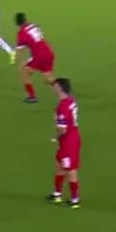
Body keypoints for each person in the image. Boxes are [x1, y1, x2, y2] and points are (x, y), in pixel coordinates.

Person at [48, 78, 81, 208]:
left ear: (60, 88)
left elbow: (63, 129)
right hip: (73, 137)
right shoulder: (71, 101)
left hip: (68, 141)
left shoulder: (62, 106)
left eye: (55, 86)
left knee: (70, 169)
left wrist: (56, 137)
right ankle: (57, 194)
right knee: (59, 164)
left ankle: (74, 199)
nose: (53, 88)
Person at [14, 12, 55, 103]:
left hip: (39, 56)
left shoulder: (21, 33)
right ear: (25, 20)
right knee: (48, 79)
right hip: (48, 52)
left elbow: (19, 51)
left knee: (24, 72)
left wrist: (19, 64)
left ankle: (32, 96)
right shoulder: (33, 26)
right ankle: (65, 91)